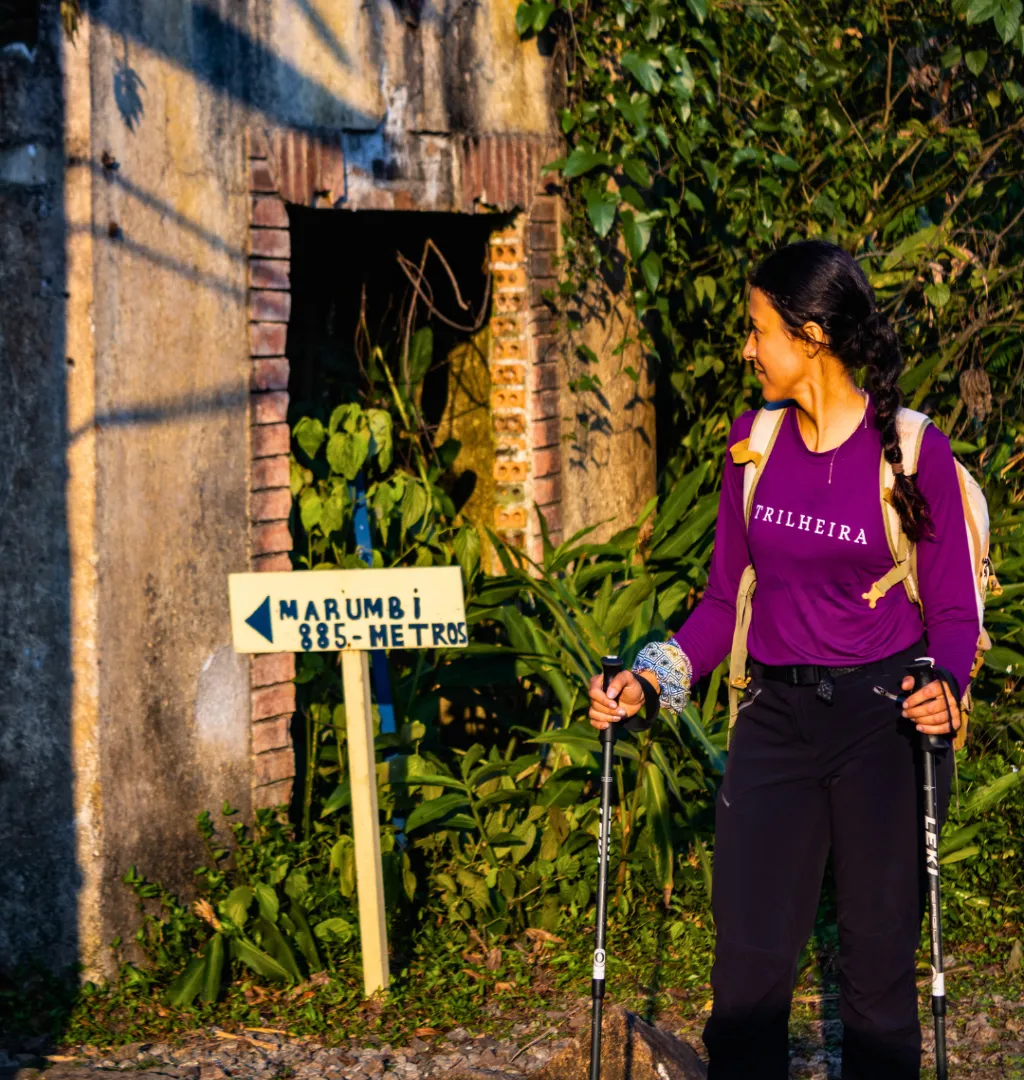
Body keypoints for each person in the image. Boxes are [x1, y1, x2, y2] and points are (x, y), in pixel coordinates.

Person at [588, 240, 980, 1080]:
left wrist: (947, 688)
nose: (745, 347)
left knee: (876, 987)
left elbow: (951, 612)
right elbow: (723, 601)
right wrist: (652, 676)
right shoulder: (753, 446)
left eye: (756, 329)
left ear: (809, 337)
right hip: (775, 724)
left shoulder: (913, 452)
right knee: (748, 983)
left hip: (886, 726)